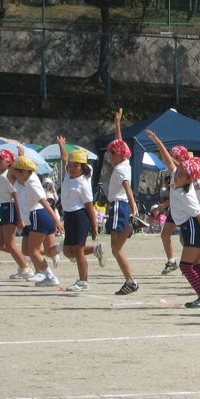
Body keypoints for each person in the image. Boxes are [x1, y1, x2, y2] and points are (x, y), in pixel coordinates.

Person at [147, 132, 200, 308]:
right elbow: (169, 162)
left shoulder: (188, 195)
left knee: (185, 267)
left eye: (182, 173)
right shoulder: (180, 179)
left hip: (193, 227)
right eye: (179, 170)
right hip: (189, 227)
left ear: (190, 179)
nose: (177, 173)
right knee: (197, 269)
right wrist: (158, 141)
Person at [57, 137, 104, 291]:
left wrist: (95, 226)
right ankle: (95, 249)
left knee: (77, 251)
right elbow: (65, 158)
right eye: (71, 165)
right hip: (69, 216)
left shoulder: (83, 183)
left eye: (76, 165)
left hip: (80, 216)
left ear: (82, 166)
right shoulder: (68, 174)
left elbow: (90, 207)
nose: (71, 167)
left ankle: (83, 281)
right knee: (67, 251)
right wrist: (62, 145)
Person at [13, 155, 65, 287]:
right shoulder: (28, 179)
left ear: (24, 171)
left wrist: (56, 219)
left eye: (17, 171)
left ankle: (49, 276)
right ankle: (65, 246)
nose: (15, 174)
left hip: (38, 215)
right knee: (48, 250)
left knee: (33, 250)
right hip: (41, 216)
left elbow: (43, 201)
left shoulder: (31, 182)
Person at [107, 108, 139, 296]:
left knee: (115, 248)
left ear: (118, 155)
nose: (110, 157)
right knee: (116, 247)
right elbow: (120, 145)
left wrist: (134, 207)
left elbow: (127, 188)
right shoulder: (124, 162)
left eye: (112, 154)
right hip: (121, 205)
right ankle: (130, 280)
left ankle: (130, 281)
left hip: (120, 206)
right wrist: (117, 124)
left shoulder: (120, 169)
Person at [0, 148, 32, 280]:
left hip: (10, 208)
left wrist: (20, 218)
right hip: (4, 209)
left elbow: (16, 195)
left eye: (0, 159)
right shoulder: (2, 175)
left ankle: (25, 268)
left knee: (9, 243)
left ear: (8, 162)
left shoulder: (6, 177)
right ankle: (23, 259)